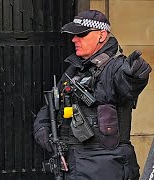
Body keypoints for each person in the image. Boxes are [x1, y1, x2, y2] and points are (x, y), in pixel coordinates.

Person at [33, 10, 152, 180]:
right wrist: (41, 126)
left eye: (81, 34)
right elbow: (53, 101)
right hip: (73, 165)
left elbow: (127, 86)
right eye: (73, 35)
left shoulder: (116, 66)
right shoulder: (74, 69)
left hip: (105, 168)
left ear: (102, 36)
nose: (74, 39)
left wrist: (135, 77)